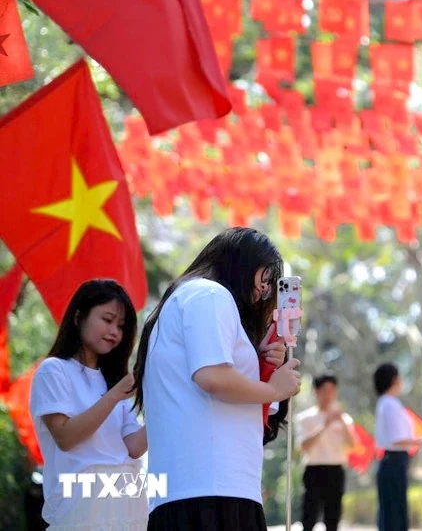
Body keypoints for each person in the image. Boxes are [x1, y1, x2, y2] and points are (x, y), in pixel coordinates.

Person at [132, 227, 302, 530]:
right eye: (263, 279)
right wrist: (272, 389)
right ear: (241, 263)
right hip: (213, 494)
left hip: (197, 491)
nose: (263, 292)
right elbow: (212, 377)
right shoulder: (210, 294)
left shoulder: (186, 299)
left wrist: (257, 361)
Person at [29, 279, 148, 529]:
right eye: (107, 319)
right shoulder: (54, 370)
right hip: (81, 506)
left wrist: (164, 402)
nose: (115, 331)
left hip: (127, 500)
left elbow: (134, 447)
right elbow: (66, 436)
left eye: (121, 326)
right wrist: (113, 396)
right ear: (79, 317)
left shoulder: (113, 382)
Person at [373, 363, 422, 531]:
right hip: (393, 461)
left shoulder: (388, 403)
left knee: (394, 510)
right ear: (394, 379)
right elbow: (397, 440)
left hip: (394, 461)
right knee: (394, 513)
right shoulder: (390, 404)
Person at [295, 374, 356, 531]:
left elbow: (353, 444)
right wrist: (325, 424)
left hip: (336, 470)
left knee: (333, 517)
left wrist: (340, 421)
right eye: (324, 390)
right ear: (316, 391)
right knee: (309, 516)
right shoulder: (306, 418)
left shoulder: (345, 420)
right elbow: (303, 446)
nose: (328, 395)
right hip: (314, 470)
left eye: (332, 390)